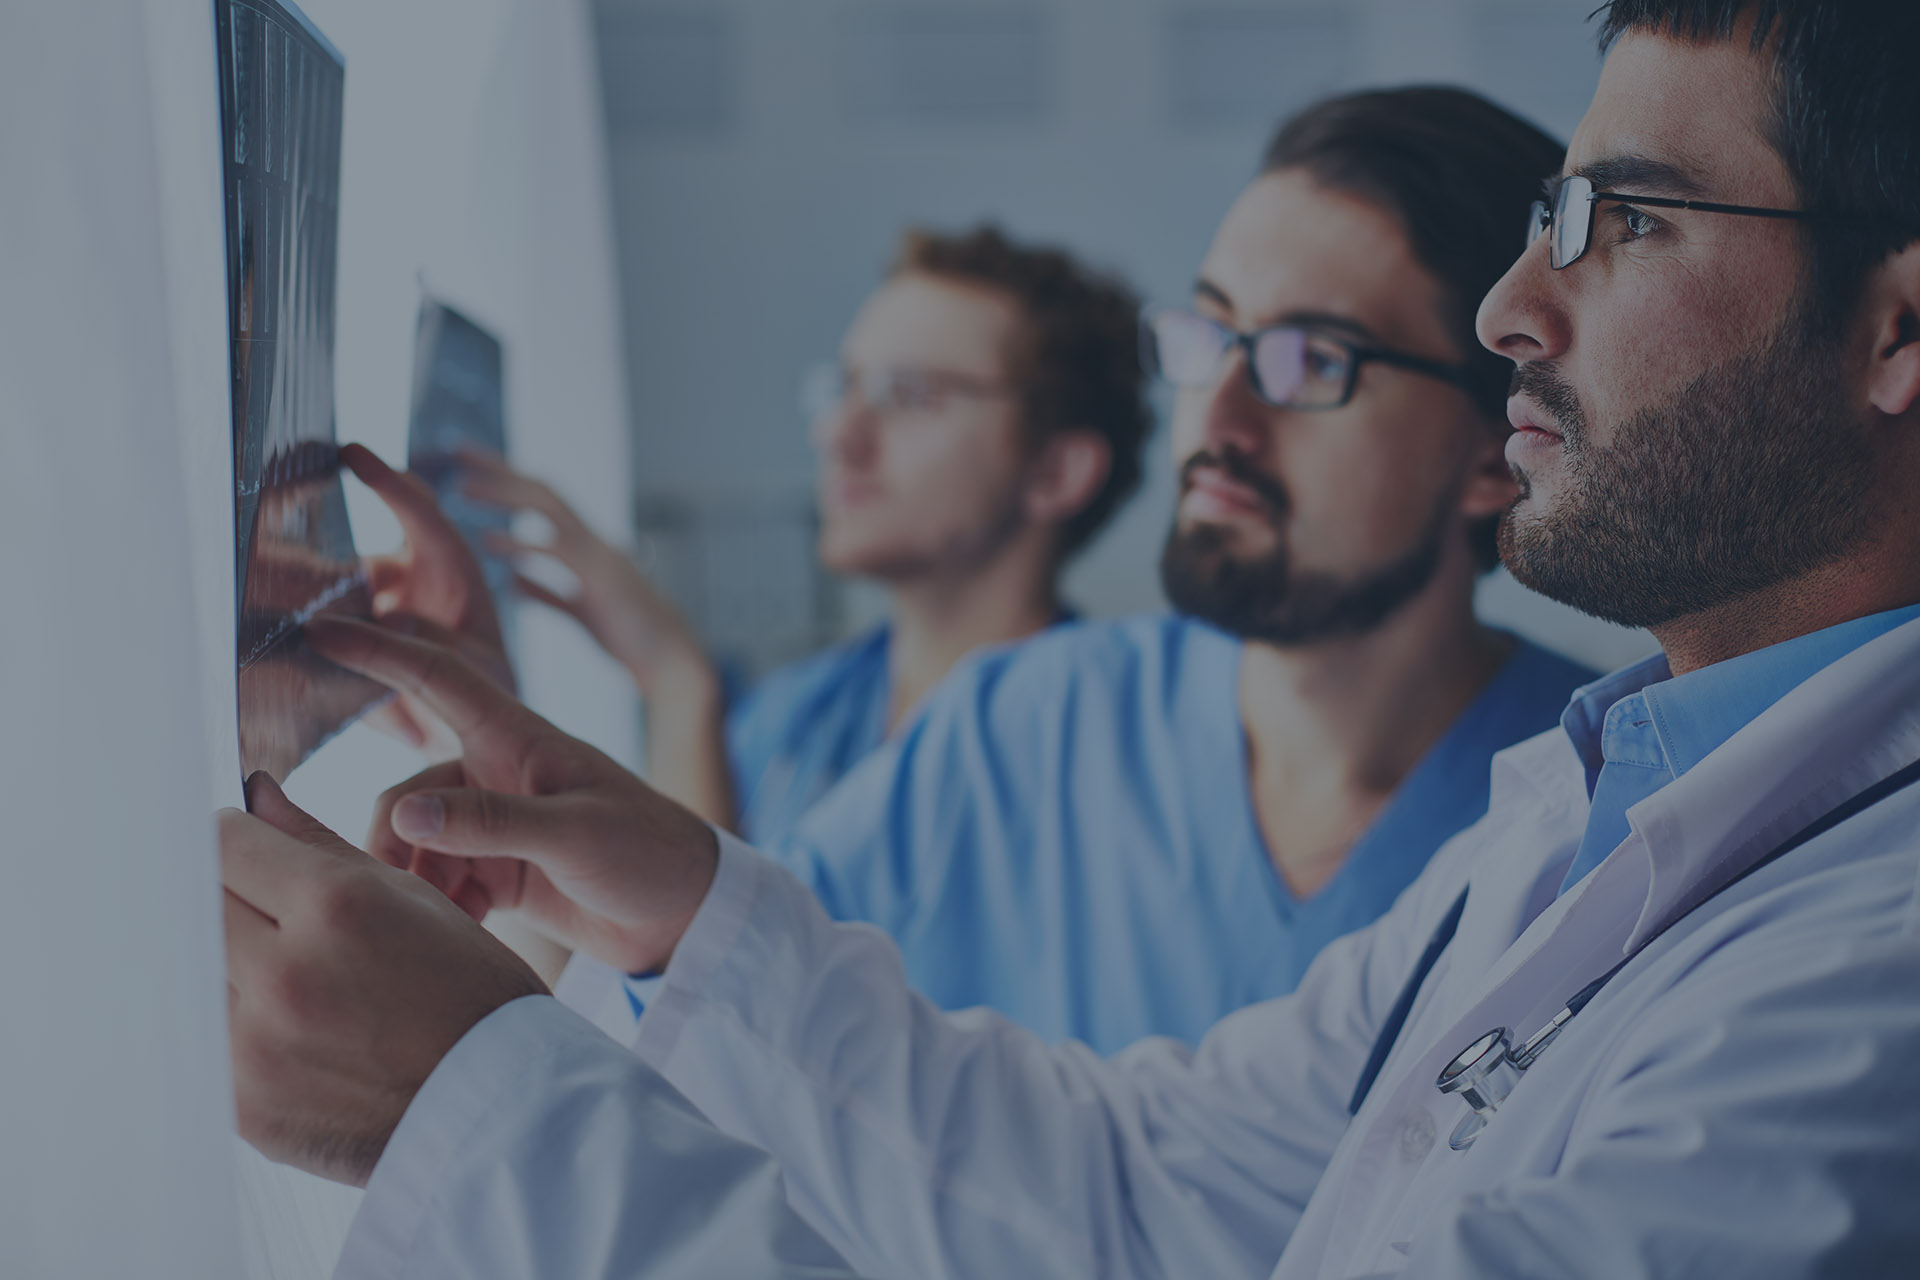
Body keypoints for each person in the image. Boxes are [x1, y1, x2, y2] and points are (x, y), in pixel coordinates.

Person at [219, 2, 1920, 1276]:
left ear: (1899, 326)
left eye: (1633, 221)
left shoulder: (1867, 993)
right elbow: (1145, 1179)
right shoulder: (1580, 811)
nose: (1513, 314)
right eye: (1557, 220)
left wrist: (483, 1117)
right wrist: (683, 907)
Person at [569, 87, 1594, 1051]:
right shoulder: (1020, 729)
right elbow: (697, 1010)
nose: (1221, 420)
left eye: (1314, 360)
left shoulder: (1601, 803)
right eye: (1212, 334)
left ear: (1493, 450)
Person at [458, 226, 1151, 845]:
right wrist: (672, 684)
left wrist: (678, 683)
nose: (836, 434)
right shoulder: (795, 716)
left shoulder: (1116, 752)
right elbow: (659, 974)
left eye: (909, 395)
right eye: (844, 389)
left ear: (1057, 471)